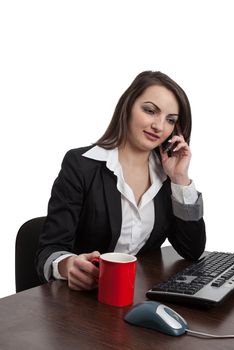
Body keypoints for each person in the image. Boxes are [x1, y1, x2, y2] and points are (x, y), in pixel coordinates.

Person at [35, 71, 206, 291]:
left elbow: (192, 250)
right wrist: (68, 266)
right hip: (82, 302)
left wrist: (180, 179)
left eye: (170, 120)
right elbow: (48, 251)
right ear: (127, 107)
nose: (159, 126)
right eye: (150, 111)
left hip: (137, 298)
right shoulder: (81, 165)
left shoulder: (166, 178)